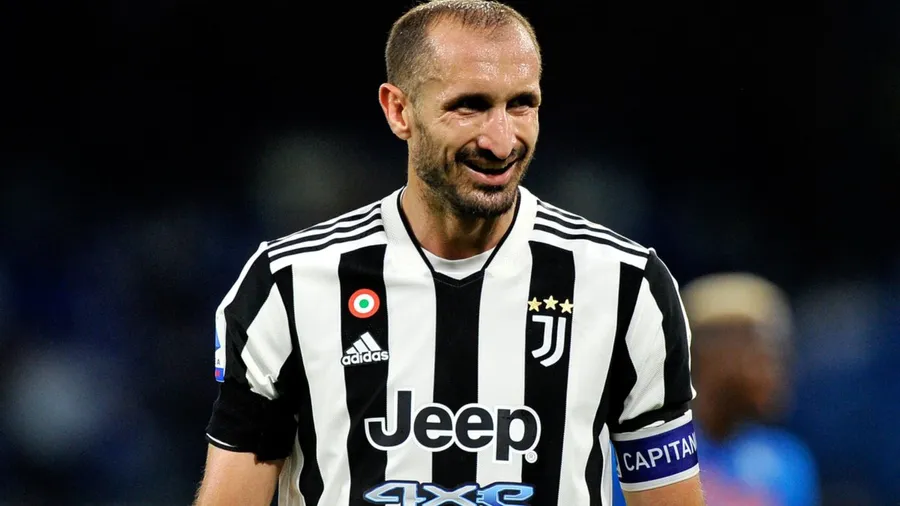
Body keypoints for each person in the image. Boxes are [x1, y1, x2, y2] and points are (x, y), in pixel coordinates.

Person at [193, 1, 705, 505]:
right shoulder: (288, 284)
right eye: (470, 106)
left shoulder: (626, 285)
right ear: (399, 110)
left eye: (521, 104)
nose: (501, 141)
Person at [624, 272, 814, 506]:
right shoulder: (641, 456)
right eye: (764, 354)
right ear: (710, 357)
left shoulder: (785, 461)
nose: (776, 371)